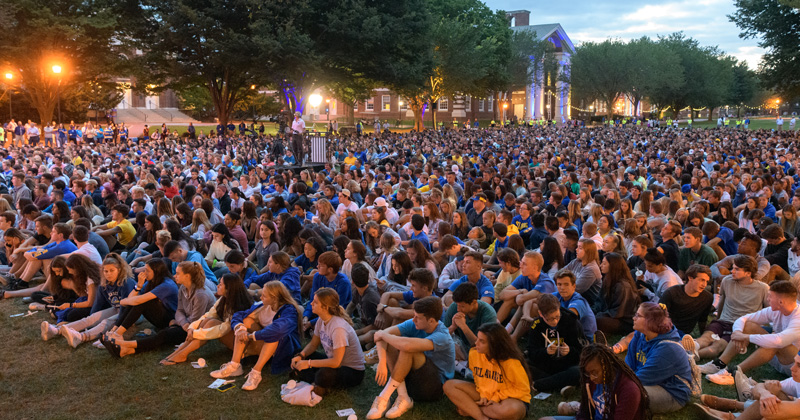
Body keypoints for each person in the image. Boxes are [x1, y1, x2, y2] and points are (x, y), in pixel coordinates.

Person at [102, 261, 215, 358]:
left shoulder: (200, 294)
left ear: (187, 276)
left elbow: (195, 321)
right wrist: (180, 322)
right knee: (161, 329)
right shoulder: (183, 289)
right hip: (182, 323)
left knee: (164, 335)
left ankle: (126, 345)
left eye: (178, 273)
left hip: (195, 329)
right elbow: (179, 311)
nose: (174, 275)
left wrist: (181, 323)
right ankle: (120, 340)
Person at [368, 296, 455, 419]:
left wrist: (383, 334)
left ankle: (384, 397)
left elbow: (405, 345)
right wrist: (382, 362)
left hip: (434, 388)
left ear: (431, 321)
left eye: (418, 317)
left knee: (408, 348)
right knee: (394, 342)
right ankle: (403, 396)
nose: (413, 319)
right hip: (414, 378)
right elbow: (381, 337)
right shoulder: (415, 322)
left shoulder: (442, 335)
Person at [701, 280, 800, 385]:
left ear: (781, 302)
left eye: (770, 296)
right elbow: (744, 319)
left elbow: (779, 341)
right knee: (748, 326)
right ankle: (719, 364)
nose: (767, 299)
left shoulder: (798, 317)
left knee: (773, 342)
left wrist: (746, 337)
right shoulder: (774, 310)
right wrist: (738, 333)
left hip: (795, 363)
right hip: (778, 357)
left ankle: (734, 373)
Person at [210, 280, 302, 391]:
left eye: (264, 296)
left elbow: (278, 329)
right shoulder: (263, 305)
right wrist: (240, 328)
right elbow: (239, 315)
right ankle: (235, 365)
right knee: (246, 320)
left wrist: (252, 336)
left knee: (273, 334)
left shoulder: (289, 310)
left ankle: (256, 373)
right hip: (262, 343)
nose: (260, 297)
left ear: (274, 298)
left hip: (282, 348)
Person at [160, 272, 254, 365]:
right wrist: (192, 328)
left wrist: (196, 333)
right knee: (208, 321)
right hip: (230, 336)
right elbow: (208, 315)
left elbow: (223, 330)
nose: (217, 286)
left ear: (229, 289)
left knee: (211, 323)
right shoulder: (224, 299)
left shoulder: (239, 306)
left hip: (242, 344)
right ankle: (180, 351)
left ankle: (182, 354)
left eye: (220, 284)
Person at [443, 323, 530, 420]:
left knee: (512, 410)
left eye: (482, 341)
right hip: (485, 394)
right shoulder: (474, 353)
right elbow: (478, 379)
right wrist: (484, 395)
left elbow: (523, 390)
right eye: (477, 339)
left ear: (494, 345)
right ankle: (482, 417)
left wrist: (495, 397)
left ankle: (470, 409)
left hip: (508, 397)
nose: (476, 343)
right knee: (449, 385)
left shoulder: (510, 362)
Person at [540, 344, 648, 420]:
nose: (591, 378)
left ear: (607, 366)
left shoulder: (629, 390)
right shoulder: (589, 379)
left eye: (594, 373)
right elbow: (584, 412)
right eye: (587, 373)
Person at [291, 287, 365, 395]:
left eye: (315, 302)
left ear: (325, 307)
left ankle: (314, 381)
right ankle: (315, 382)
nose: (311, 303)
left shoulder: (338, 328)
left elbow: (336, 362)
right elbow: (313, 345)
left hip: (352, 370)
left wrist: (308, 363)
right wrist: (301, 356)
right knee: (297, 352)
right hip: (334, 362)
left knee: (323, 374)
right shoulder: (321, 320)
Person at [694, 255, 769, 360]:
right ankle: (690, 348)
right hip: (723, 321)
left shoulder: (762, 288)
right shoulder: (727, 281)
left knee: (717, 347)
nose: (732, 271)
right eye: (732, 268)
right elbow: (722, 301)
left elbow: (769, 311)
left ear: (748, 273)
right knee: (705, 338)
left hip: (740, 327)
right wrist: (718, 319)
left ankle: (691, 357)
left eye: (736, 269)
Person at [624, 302, 693, 413]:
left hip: (671, 393)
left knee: (627, 392)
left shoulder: (668, 349)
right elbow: (628, 364)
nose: (634, 318)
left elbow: (641, 379)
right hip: (646, 380)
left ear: (650, 321)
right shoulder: (640, 334)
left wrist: (617, 382)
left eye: (638, 316)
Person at [57, 254, 135, 348]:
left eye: (112, 270)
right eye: (106, 271)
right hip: (117, 309)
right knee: (91, 318)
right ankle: (57, 330)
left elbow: (126, 308)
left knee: (107, 321)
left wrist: (117, 325)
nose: (108, 274)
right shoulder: (104, 284)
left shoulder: (126, 283)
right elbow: (98, 304)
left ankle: (82, 337)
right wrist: (92, 320)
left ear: (119, 270)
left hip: (131, 312)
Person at [443, 282, 498, 361]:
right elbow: (442, 336)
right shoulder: (455, 306)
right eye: (457, 305)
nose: (458, 309)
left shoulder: (488, 313)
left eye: (462, 306)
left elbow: (483, 346)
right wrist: (453, 327)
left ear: (474, 303)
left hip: (481, 350)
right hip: (462, 345)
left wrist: (464, 327)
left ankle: (462, 366)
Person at [302, 251, 351, 331]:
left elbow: (336, 310)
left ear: (330, 269)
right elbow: (312, 300)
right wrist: (306, 316)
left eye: (320, 266)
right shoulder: (318, 276)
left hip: (336, 314)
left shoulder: (343, 282)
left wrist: (311, 323)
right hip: (319, 309)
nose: (317, 266)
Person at [553, 269, 597, 341]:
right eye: (559, 284)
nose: (562, 288)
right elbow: (539, 300)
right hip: (568, 333)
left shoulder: (579, 301)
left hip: (584, 340)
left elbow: (568, 318)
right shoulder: (558, 295)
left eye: (566, 284)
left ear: (574, 286)